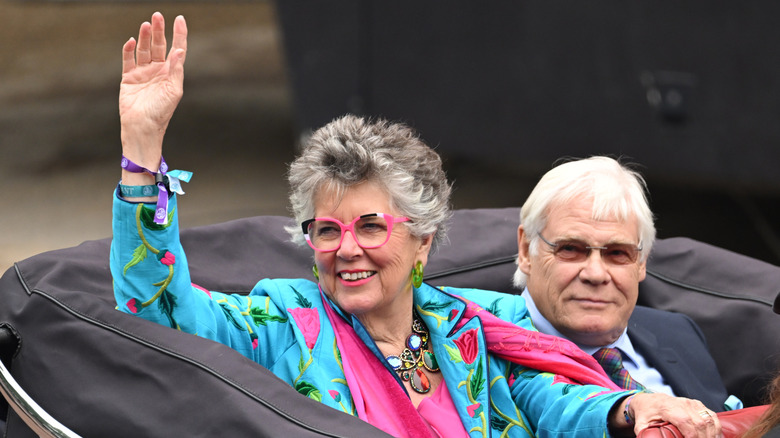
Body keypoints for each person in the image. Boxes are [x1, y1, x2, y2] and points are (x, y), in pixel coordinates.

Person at [111, 12, 722, 437]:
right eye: (327, 230)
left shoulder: (475, 327)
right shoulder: (281, 323)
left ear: (423, 239)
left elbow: (556, 398)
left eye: (371, 227)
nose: (346, 249)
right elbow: (160, 312)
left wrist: (633, 407)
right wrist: (142, 153)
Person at [513, 156, 738, 412]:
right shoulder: (474, 357)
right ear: (525, 250)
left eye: (618, 253)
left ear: (642, 261)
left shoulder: (679, 333)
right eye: (571, 249)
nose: (596, 274)